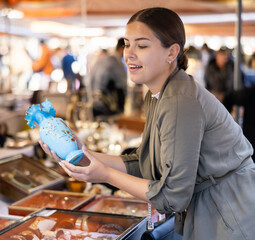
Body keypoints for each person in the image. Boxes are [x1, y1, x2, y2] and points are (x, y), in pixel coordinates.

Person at [40, 7, 255, 240]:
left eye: (142, 46)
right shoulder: (157, 93)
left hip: (227, 208)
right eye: (127, 44)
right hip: (209, 204)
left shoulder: (180, 100)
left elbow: (173, 197)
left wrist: (106, 175)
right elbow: (145, 164)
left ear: (171, 52)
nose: (129, 54)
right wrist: (83, 153)